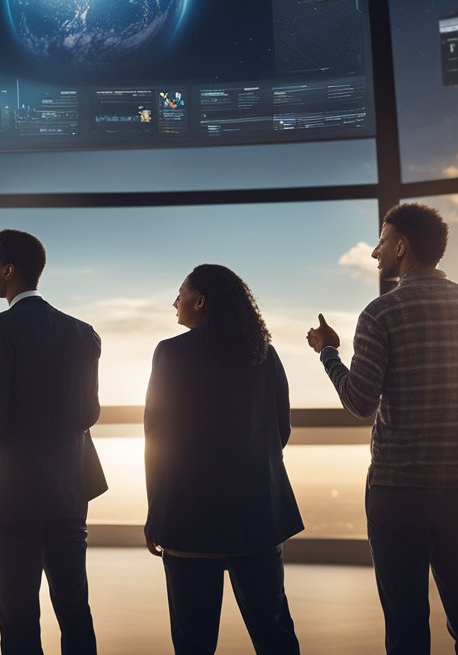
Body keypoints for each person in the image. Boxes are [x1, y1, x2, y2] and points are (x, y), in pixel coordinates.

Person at [306, 203, 458, 654]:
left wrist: (328, 353)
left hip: (397, 493)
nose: (374, 253)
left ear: (401, 247)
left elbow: (360, 402)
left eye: (381, 242)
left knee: (405, 628)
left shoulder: (381, 314)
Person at [144, 264, 302, 654]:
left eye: (180, 293)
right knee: (275, 633)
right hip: (257, 517)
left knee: (193, 640)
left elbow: (156, 438)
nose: (174, 302)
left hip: (189, 518)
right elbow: (280, 430)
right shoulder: (264, 354)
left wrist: (157, 514)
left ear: (199, 301)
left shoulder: (170, 353)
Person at [0, 229, 107, 655]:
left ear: (9, 270)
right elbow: (89, 415)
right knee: (75, 610)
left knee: (18, 620)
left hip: (12, 497)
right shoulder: (83, 332)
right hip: (69, 492)